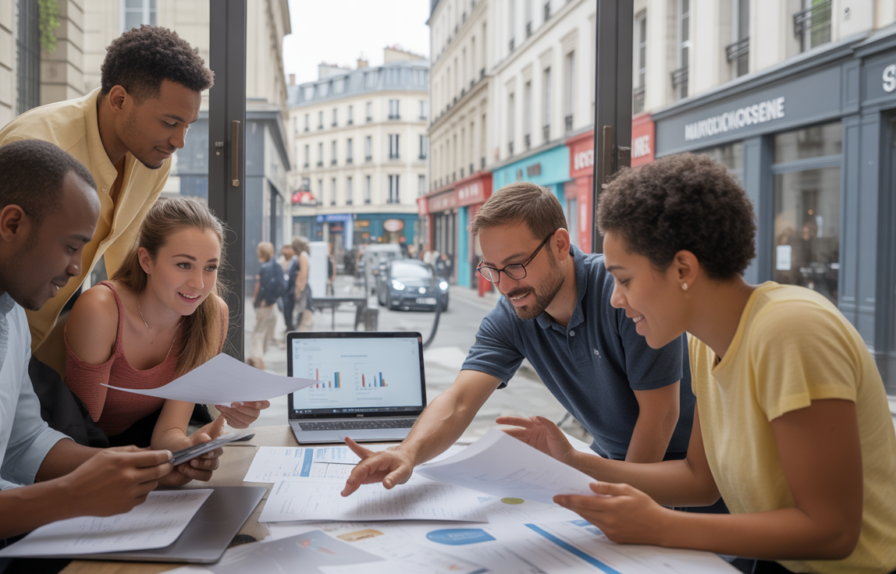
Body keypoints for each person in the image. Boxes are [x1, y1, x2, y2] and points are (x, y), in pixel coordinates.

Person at [502, 154, 896, 574]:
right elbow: (698, 481)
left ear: (683, 269)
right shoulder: (705, 346)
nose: (616, 298)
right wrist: (576, 461)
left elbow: (832, 531)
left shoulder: (791, 330)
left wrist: (661, 525)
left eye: (625, 279)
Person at [0, 141, 218, 574]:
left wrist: (143, 468)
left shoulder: (9, 312)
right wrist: (68, 496)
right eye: (72, 247)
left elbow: (24, 441)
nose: (77, 269)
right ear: (12, 223)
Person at [342, 182, 695, 496]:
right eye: (491, 269)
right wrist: (408, 452)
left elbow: (660, 416)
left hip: (680, 475)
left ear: (560, 244)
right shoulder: (512, 314)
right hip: (609, 466)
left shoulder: (621, 291)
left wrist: (621, 500)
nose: (506, 285)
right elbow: (459, 401)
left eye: (515, 264)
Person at [0, 26, 213, 380]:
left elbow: (129, 269)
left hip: (50, 350)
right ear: (119, 100)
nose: (179, 141)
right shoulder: (37, 145)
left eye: (189, 125)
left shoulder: (153, 160)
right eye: (170, 122)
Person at [63, 197, 269, 449]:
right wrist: (156, 460)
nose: (199, 284)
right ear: (146, 261)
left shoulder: (212, 314)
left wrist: (195, 445)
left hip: (145, 447)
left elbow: (169, 431)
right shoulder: (101, 310)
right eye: (184, 265)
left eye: (210, 267)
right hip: (88, 453)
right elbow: (80, 435)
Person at [248, 241, 284, 370]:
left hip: (264, 306)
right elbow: (281, 286)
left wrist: (258, 301)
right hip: (273, 305)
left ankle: (257, 361)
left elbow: (260, 287)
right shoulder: (277, 266)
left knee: (257, 333)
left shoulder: (264, 268)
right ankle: (258, 357)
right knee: (267, 332)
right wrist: (272, 300)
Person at [289, 236, 313, 331]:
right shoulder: (302, 255)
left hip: (302, 291)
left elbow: (303, 275)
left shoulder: (303, 256)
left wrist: (298, 291)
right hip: (302, 290)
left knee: (303, 318)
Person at [278, 244, 296, 332]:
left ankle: (290, 326)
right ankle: (288, 326)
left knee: (290, 309)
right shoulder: (281, 260)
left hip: (291, 289)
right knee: (285, 309)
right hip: (284, 289)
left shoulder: (294, 260)